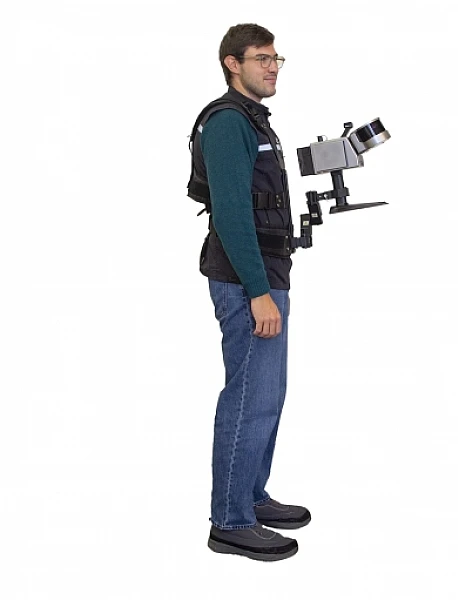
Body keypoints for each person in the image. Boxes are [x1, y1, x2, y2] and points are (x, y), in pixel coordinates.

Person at [187, 23, 311, 561]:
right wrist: (258, 292)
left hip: (266, 272)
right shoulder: (226, 123)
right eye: (262, 58)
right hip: (246, 280)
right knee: (248, 398)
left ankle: (251, 496)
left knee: (267, 395)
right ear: (232, 64)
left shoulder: (254, 119)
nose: (272, 67)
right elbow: (233, 214)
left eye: (276, 58)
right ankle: (230, 521)